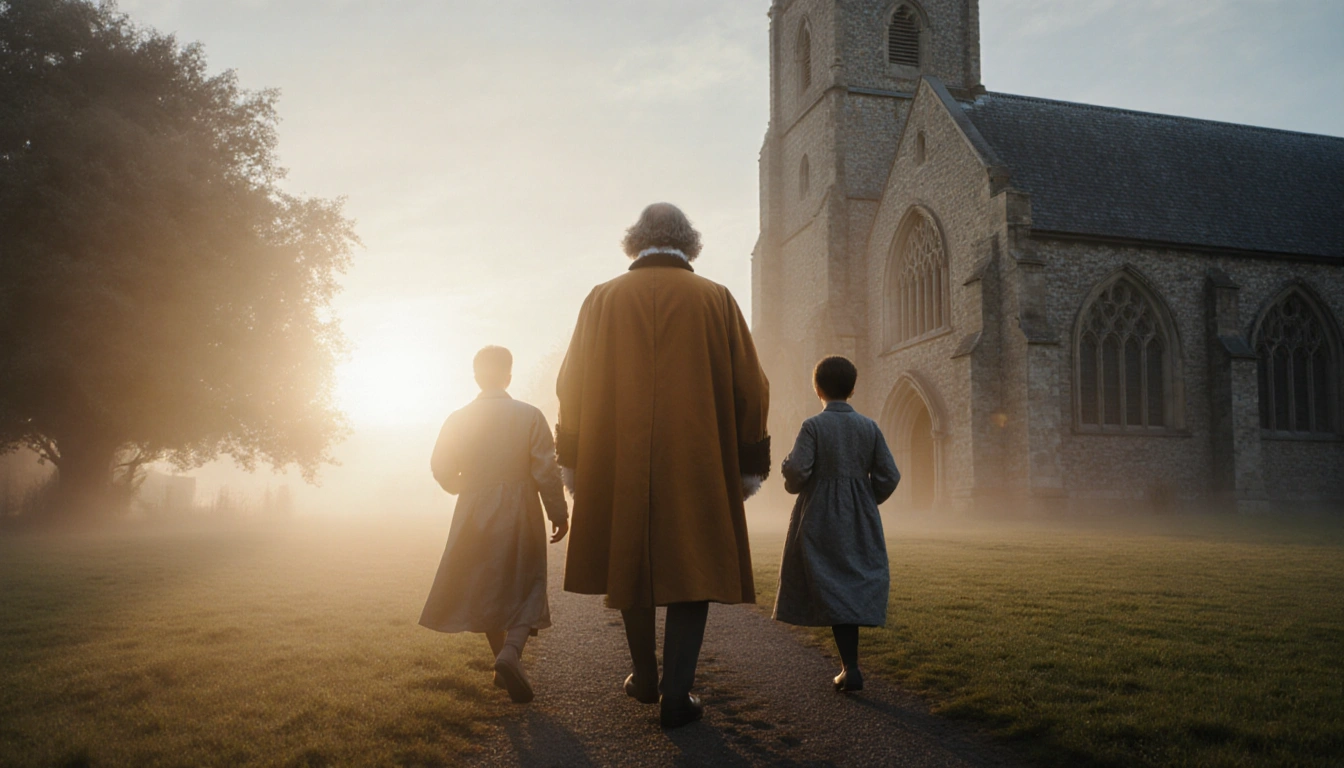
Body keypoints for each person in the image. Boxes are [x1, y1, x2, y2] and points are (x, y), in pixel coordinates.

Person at [556, 203, 771, 728]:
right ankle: (677, 692)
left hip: (617, 457)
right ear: (688, 241)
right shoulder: (716, 298)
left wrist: (574, 460)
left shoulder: (601, 298)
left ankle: (645, 678)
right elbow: (753, 387)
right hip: (696, 457)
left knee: (630, 562)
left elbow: (571, 385)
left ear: (635, 240)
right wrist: (748, 464)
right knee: (692, 569)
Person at [419, 345, 569, 704]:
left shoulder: (458, 418)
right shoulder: (529, 415)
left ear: (475, 376)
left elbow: (440, 466)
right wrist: (558, 513)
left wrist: (463, 486)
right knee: (527, 583)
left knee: (487, 584)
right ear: (508, 375)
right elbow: (546, 471)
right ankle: (511, 654)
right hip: (519, 509)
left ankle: (502, 658)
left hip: (473, 508)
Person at [772, 355, 900, 692]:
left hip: (819, 515)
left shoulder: (814, 426)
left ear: (817, 388)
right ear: (853, 388)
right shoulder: (869, 427)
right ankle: (849, 665)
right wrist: (866, 499)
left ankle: (851, 667)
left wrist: (790, 474)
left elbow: (798, 470)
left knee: (829, 579)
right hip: (860, 517)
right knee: (850, 580)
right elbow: (890, 475)